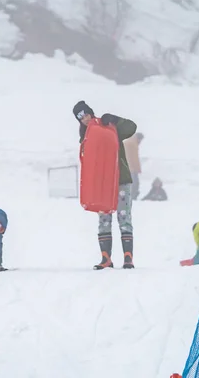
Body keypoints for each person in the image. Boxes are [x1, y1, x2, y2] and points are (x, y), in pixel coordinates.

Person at [73, 100, 137, 270]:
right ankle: (106, 258)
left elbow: (131, 127)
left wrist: (116, 120)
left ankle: (128, 258)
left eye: (86, 114)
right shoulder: (85, 137)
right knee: (104, 218)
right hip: (101, 183)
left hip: (121, 179)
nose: (85, 119)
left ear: (90, 112)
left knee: (124, 217)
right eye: (80, 117)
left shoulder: (108, 126)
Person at [123, 132, 143, 200]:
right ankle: (132, 196)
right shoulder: (133, 144)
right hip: (131, 168)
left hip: (125, 167)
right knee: (134, 184)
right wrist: (138, 169)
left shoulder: (127, 142)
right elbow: (135, 158)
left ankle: (129, 196)